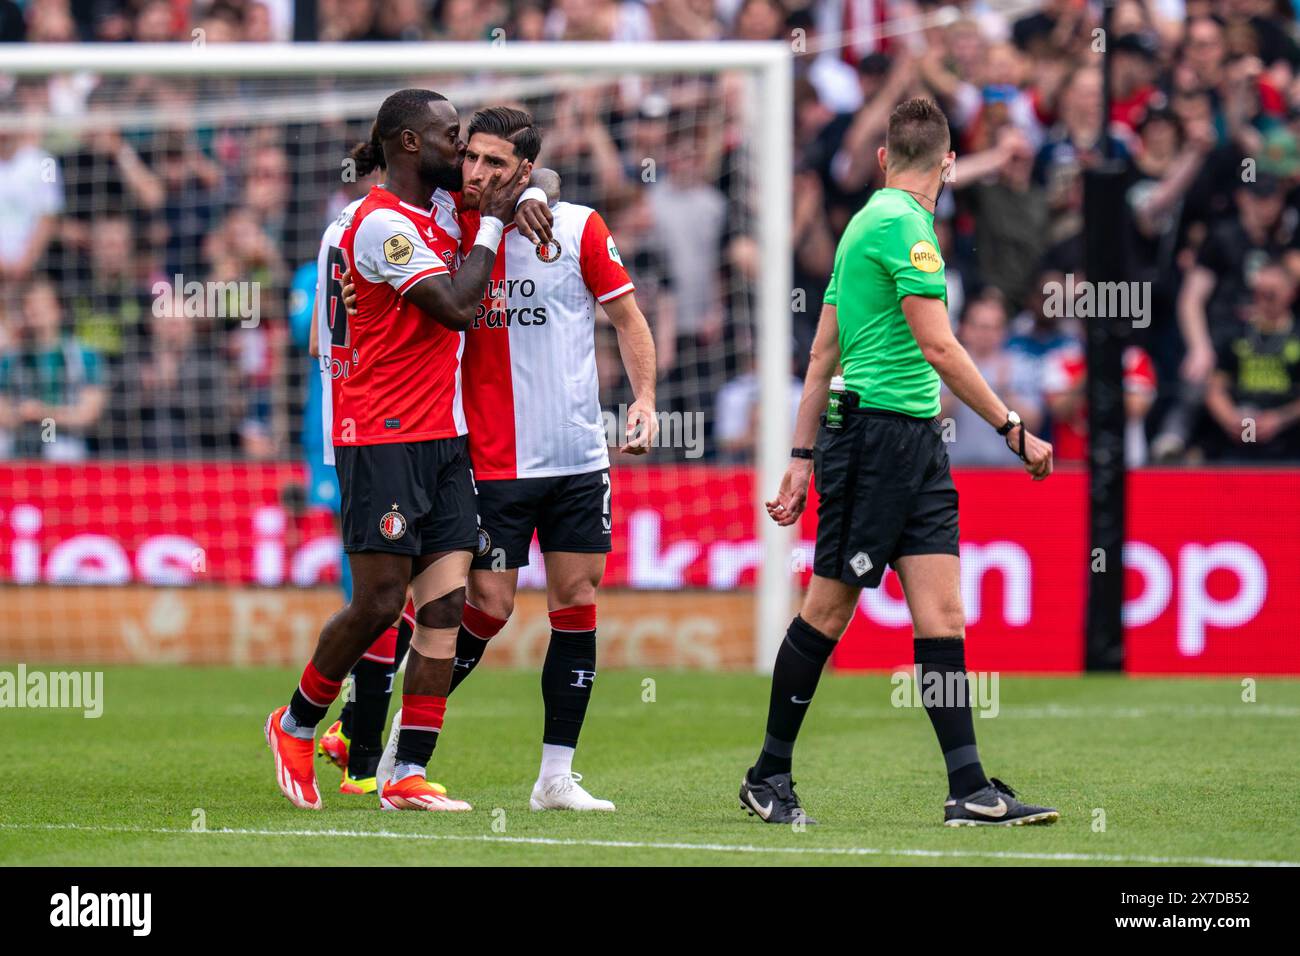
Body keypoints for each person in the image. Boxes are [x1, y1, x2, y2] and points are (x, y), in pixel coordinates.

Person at [743, 97, 1059, 828]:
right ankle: (767, 775)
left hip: (912, 443)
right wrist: (1014, 428)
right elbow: (940, 347)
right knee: (828, 610)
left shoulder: (864, 225)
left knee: (943, 615)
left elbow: (822, 353)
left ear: (885, 157)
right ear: (948, 163)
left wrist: (797, 457)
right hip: (875, 439)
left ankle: (969, 789)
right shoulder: (903, 227)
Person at [351, 107, 659, 810]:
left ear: (524, 167)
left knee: (577, 603)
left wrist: (644, 400)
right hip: (488, 462)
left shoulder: (577, 227)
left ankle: (555, 777)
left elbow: (629, 319)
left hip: (577, 456)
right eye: (473, 159)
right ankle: (396, 730)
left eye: (497, 164)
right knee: (484, 607)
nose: (479, 173)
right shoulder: (446, 228)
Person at [263, 88, 551, 813]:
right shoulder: (378, 227)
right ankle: (295, 724)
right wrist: (490, 227)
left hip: (445, 438)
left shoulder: (446, 206)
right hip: (381, 434)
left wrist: (531, 190)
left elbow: (527, 175)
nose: (466, 149)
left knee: (445, 607)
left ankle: (404, 772)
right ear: (410, 145)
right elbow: (454, 307)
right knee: (379, 602)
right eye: (452, 135)